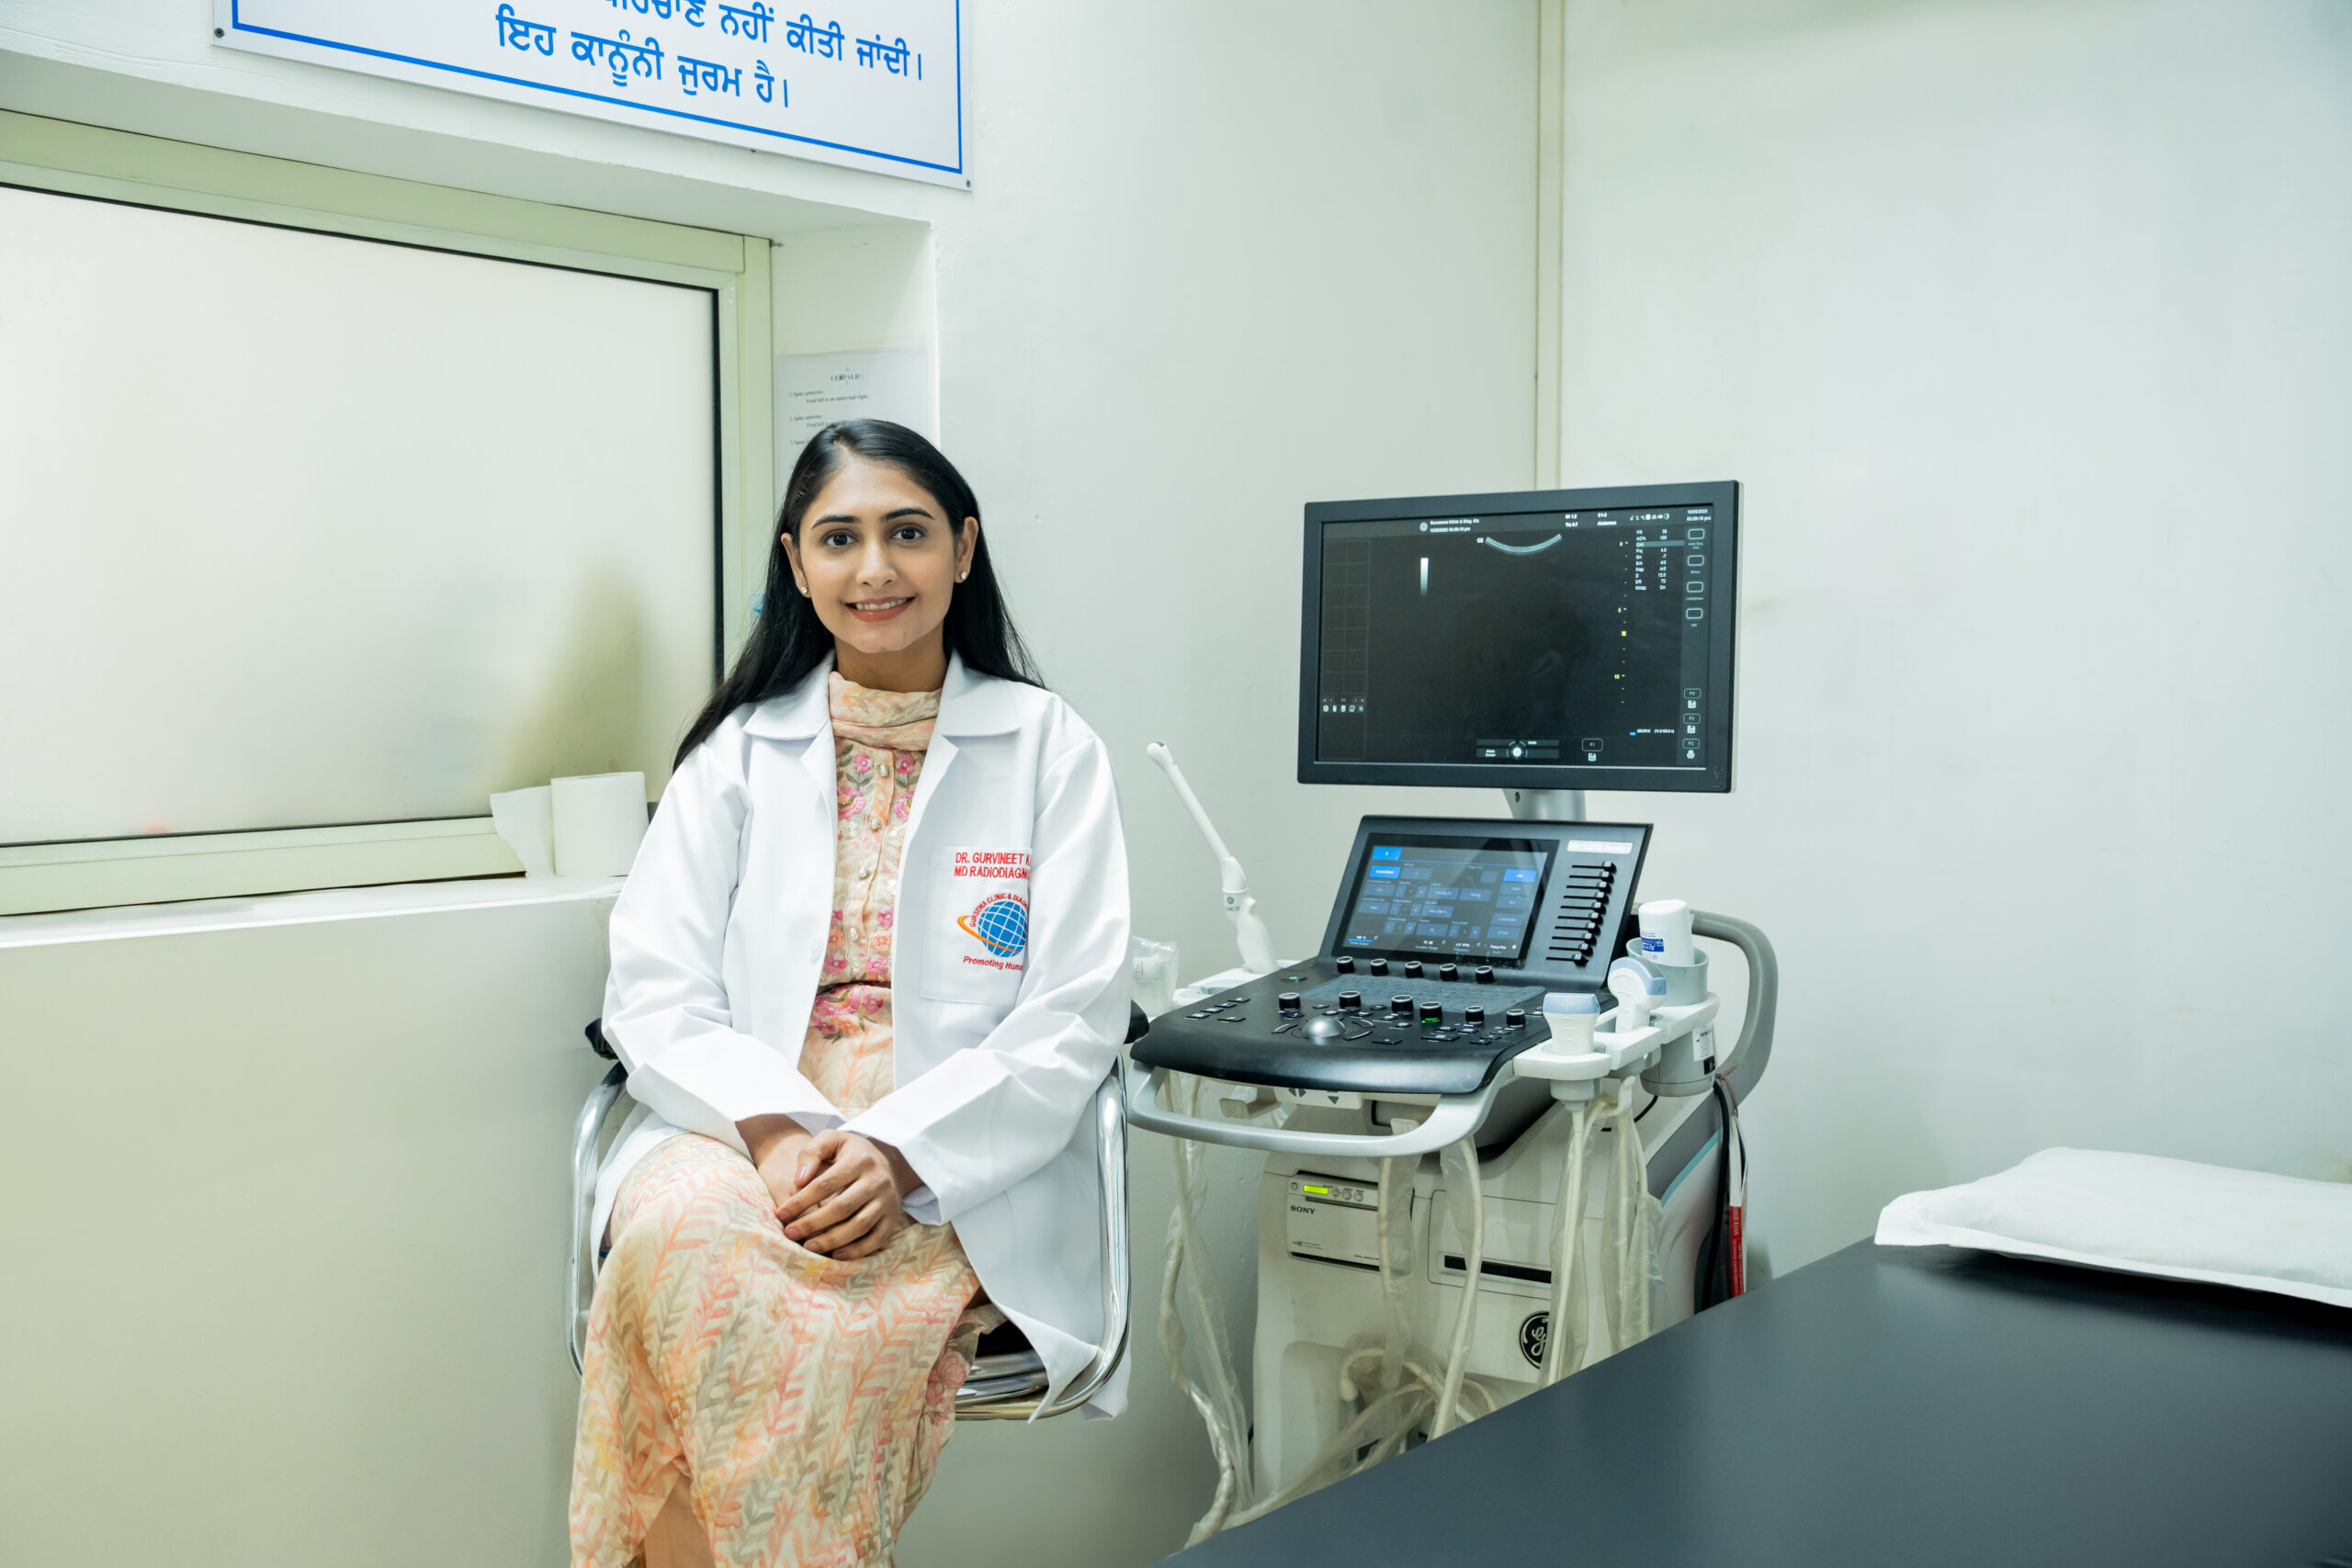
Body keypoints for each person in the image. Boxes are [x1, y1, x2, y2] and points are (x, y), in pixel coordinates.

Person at [570, 420, 1132, 1567]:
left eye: (907, 533)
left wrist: (897, 1154)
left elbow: (1075, 1010)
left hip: (954, 1141)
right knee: (681, 1243)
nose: (874, 569)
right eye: (839, 539)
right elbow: (655, 986)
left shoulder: (1048, 748)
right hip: (741, 1121)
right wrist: (775, 1133)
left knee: (793, 1329)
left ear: (962, 549)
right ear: (796, 564)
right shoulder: (737, 754)